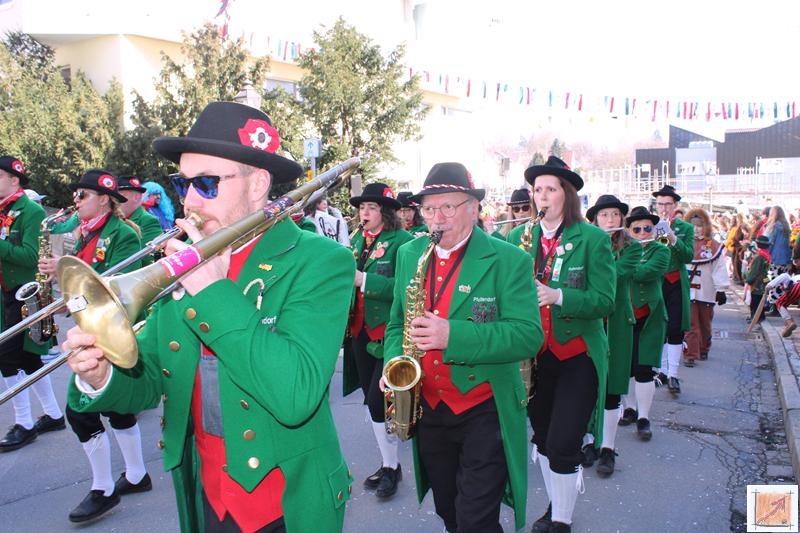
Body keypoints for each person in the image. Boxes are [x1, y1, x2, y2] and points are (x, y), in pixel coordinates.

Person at [62, 101, 355, 532]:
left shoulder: (319, 260)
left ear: (258, 184)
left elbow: (296, 395)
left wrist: (214, 293)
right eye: (182, 184)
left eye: (206, 183)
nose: (190, 201)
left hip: (288, 503)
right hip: (205, 494)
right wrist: (101, 374)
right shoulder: (180, 264)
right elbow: (150, 379)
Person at [384, 162, 541, 533]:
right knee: (449, 510)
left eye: (448, 207)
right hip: (429, 405)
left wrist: (452, 336)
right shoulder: (409, 254)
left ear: (473, 209)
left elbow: (528, 336)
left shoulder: (510, 260)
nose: (437, 218)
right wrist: (394, 364)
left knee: (475, 519)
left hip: (485, 407)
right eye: (429, 209)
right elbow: (396, 324)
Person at [507, 156, 615, 532]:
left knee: (564, 440)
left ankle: (562, 521)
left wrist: (559, 296)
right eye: (537, 190)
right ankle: (557, 504)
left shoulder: (593, 239)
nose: (542, 196)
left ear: (567, 195)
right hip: (535, 355)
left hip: (577, 354)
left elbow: (605, 300)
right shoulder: (518, 239)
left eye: (550, 189)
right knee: (543, 439)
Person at [37, 169, 150, 522]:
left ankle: (103, 488)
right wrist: (59, 295)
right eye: (75, 195)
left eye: (82, 195)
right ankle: (137, 475)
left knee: (79, 410)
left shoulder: (123, 233)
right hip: (93, 327)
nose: (76, 201)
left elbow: (113, 284)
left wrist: (65, 267)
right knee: (117, 409)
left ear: (104, 199)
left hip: (115, 329)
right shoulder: (84, 233)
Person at [343, 182, 412, 500]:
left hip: (388, 332)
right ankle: (389, 465)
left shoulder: (404, 243)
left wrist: (364, 280)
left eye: (371, 207)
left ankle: (392, 466)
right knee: (372, 402)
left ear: (386, 212)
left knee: (377, 400)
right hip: (360, 331)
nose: (364, 213)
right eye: (362, 208)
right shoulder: (357, 240)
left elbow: (405, 288)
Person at [0, 155, 65, 453]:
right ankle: (53, 414)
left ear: (14, 180)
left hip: (23, 293)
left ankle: (24, 423)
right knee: (27, 358)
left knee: (7, 358)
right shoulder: (4, 210)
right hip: (6, 292)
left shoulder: (31, 211)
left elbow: (29, 256)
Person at [583, 194, 640, 478]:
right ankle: (589, 441)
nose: (610, 220)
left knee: (612, 388)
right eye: (604, 215)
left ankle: (608, 447)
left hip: (617, 324)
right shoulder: (584, 243)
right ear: (595, 219)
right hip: (590, 324)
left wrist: (599, 248)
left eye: (615, 215)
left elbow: (612, 276)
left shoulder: (632, 247)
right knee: (587, 385)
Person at [618, 207, 669, 442]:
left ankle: (644, 417)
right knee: (625, 366)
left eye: (647, 228)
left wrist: (626, 265)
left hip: (649, 317)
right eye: (636, 229)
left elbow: (645, 273)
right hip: (624, 315)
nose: (642, 233)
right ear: (628, 230)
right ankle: (629, 408)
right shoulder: (622, 250)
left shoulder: (661, 250)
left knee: (644, 367)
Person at [651, 185, 694, 395]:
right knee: (658, 327)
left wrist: (673, 238)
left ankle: (673, 374)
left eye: (668, 204)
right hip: (656, 282)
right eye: (660, 204)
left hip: (676, 282)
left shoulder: (685, 228)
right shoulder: (649, 226)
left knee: (676, 328)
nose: (664, 208)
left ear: (675, 205)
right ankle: (661, 370)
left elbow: (688, 256)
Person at [683, 208, 729, 365]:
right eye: (692, 226)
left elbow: (719, 268)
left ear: (705, 226)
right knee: (690, 324)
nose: (696, 229)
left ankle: (703, 348)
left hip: (706, 290)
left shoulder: (713, 246)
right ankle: (690, 354)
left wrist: (721, 289)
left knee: (705, 323)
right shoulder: (683, 243)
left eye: (699, 225)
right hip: (688, 290)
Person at [118, 175, 164, 265]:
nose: (114, 201)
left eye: (120, 196)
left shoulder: (149, 221)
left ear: (136, 197)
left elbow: (146, 258)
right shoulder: (115, 219)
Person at [745, 235, 772, 323]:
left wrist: (748, 280)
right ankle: (760, 317)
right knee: (760, 300)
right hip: (764, 280)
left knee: (755, 301)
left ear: (757, 244)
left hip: (757, 282)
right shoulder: (767, 255)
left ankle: (755, 318)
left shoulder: (759, 256)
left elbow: (754, 271)